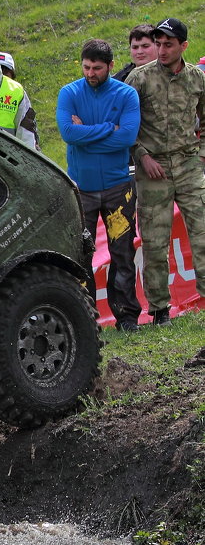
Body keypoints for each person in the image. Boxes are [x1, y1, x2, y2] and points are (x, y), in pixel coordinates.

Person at [56, 39, 141, 332]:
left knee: (123, 252)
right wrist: (108, 129)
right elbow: (68, 133)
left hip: (119, 186)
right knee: (81, 254)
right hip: (82, 189)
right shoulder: (69, 92)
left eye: (97, 68)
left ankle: (127, 316)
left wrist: (86, 134)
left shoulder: (127, 94)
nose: (91, 73)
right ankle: (86, 319)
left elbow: (128, 137)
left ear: (110, 66)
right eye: (86, 67)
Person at [125, 17, 205, 325]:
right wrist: (142, 156)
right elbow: (126, 127)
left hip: (187, 164)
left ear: (183, 46)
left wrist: (200, 158)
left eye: (168, 44)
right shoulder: (139, 78)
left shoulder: (197, 79)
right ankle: (159, 309)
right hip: (152, 168)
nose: (161, 49)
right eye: (157, 43)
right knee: (155, 241)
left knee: (201, 233)